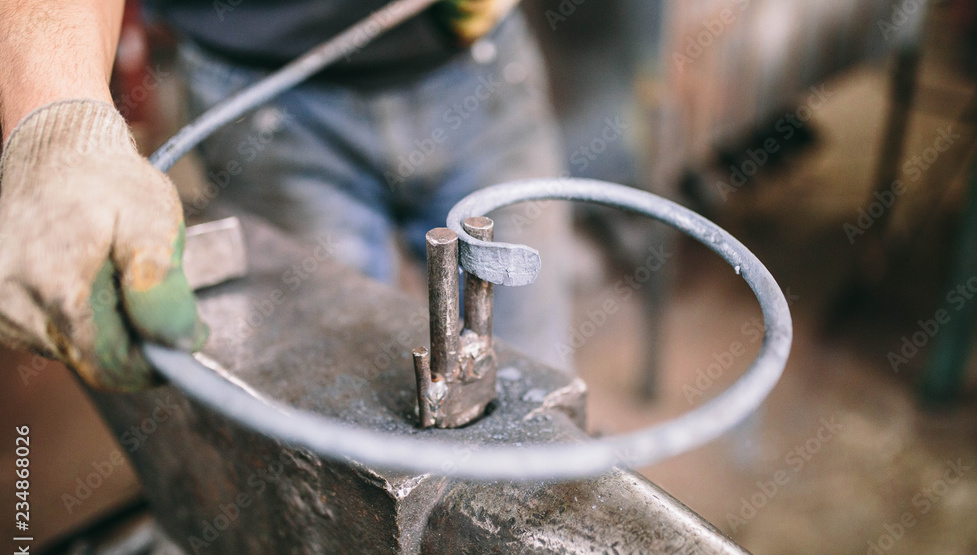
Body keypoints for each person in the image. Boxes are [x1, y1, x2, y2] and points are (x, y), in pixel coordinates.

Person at [0, 0, 572, 392]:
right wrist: (57, 120)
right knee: (342, 395)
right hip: (256, 93)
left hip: (476, 60)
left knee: (531, 379)